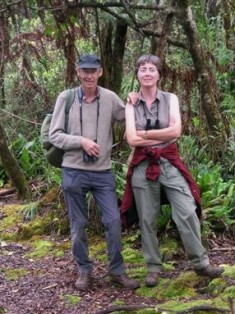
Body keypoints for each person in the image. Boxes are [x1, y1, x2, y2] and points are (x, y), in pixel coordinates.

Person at [121, 54, 224, 287]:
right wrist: (159, 133)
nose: (147, 73)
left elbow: (176, 131)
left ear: (158, 74)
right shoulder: (131, 102)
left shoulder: (170, 99)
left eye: (152, 69)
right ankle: (153, 268)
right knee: (147, 218)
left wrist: (145, 135)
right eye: (143, 69)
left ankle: (201, 264)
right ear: (137, 74)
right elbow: (130, 139)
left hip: (168, 162)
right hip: (142, 166)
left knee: (187, 209)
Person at [49, 53, 140, 291]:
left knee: (112, 221)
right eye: (84, 71)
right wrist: (81, 141)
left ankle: (116, 271)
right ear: (78, 72)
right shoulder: (66, 98)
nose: (89, 75)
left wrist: (134, 101)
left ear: (100, 72)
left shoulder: (109, 98)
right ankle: (84, 270)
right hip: (73, 171)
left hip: (102, 172)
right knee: (78, 224)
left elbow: (129, 119)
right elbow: (54, 135)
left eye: (93, 71)